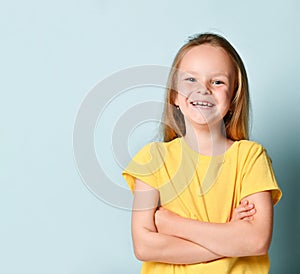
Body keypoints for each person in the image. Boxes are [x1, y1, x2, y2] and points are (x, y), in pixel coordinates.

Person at [122, 33, 282, 273]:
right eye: (190, 80)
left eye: (217, 82)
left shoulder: (250, 157)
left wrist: (172, 224)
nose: (203, 90)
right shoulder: (152, 159)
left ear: (234, 98)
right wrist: (230, 240)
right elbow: (144, 246)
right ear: (175, 95)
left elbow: (256, 241)